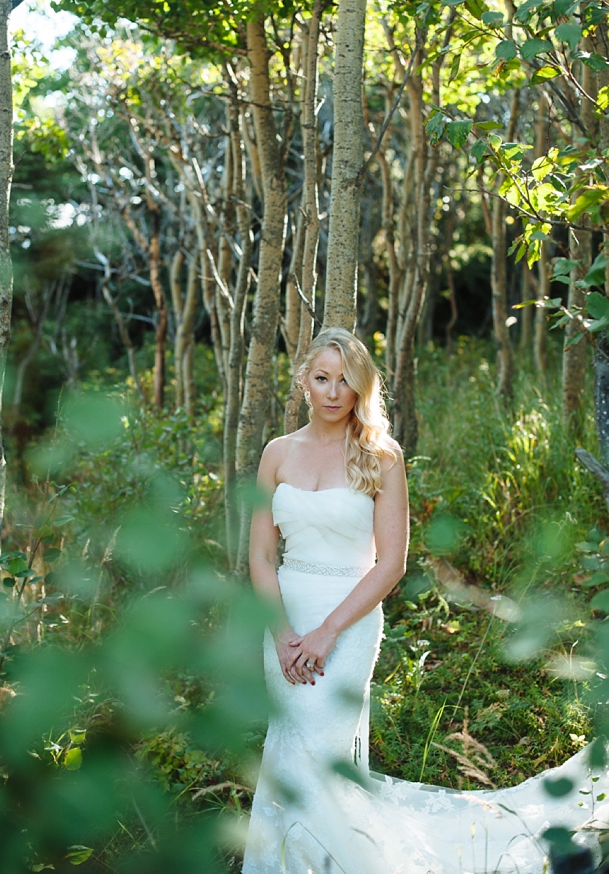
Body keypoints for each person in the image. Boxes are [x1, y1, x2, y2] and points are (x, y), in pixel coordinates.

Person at [242, 327, 608, 874]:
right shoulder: (276, 455)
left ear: (362, 388)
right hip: (284, 620)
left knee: (319, 750)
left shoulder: (381, 457)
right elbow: (261, 558)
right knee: (288, 746)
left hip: (348, 620)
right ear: (304, 381)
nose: (334, 391)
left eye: (346, 381)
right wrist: (283, 634)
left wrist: (325, 633)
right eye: (322, 378)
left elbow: (391, 563)